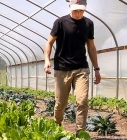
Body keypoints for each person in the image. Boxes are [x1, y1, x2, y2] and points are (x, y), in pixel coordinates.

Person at [43, 0, 101, 135]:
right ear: (70, 7)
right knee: (61, 103)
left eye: (81, 10)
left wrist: (97, 69)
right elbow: (49, 42)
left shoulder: (88, 24)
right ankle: (57, 125)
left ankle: (80, 134)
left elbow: (91, 47)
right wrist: (47, 60)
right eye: (76, 10)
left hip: (81, 68)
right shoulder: (60, 22)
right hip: (62, 68)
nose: (78, 13)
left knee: (82, 101)